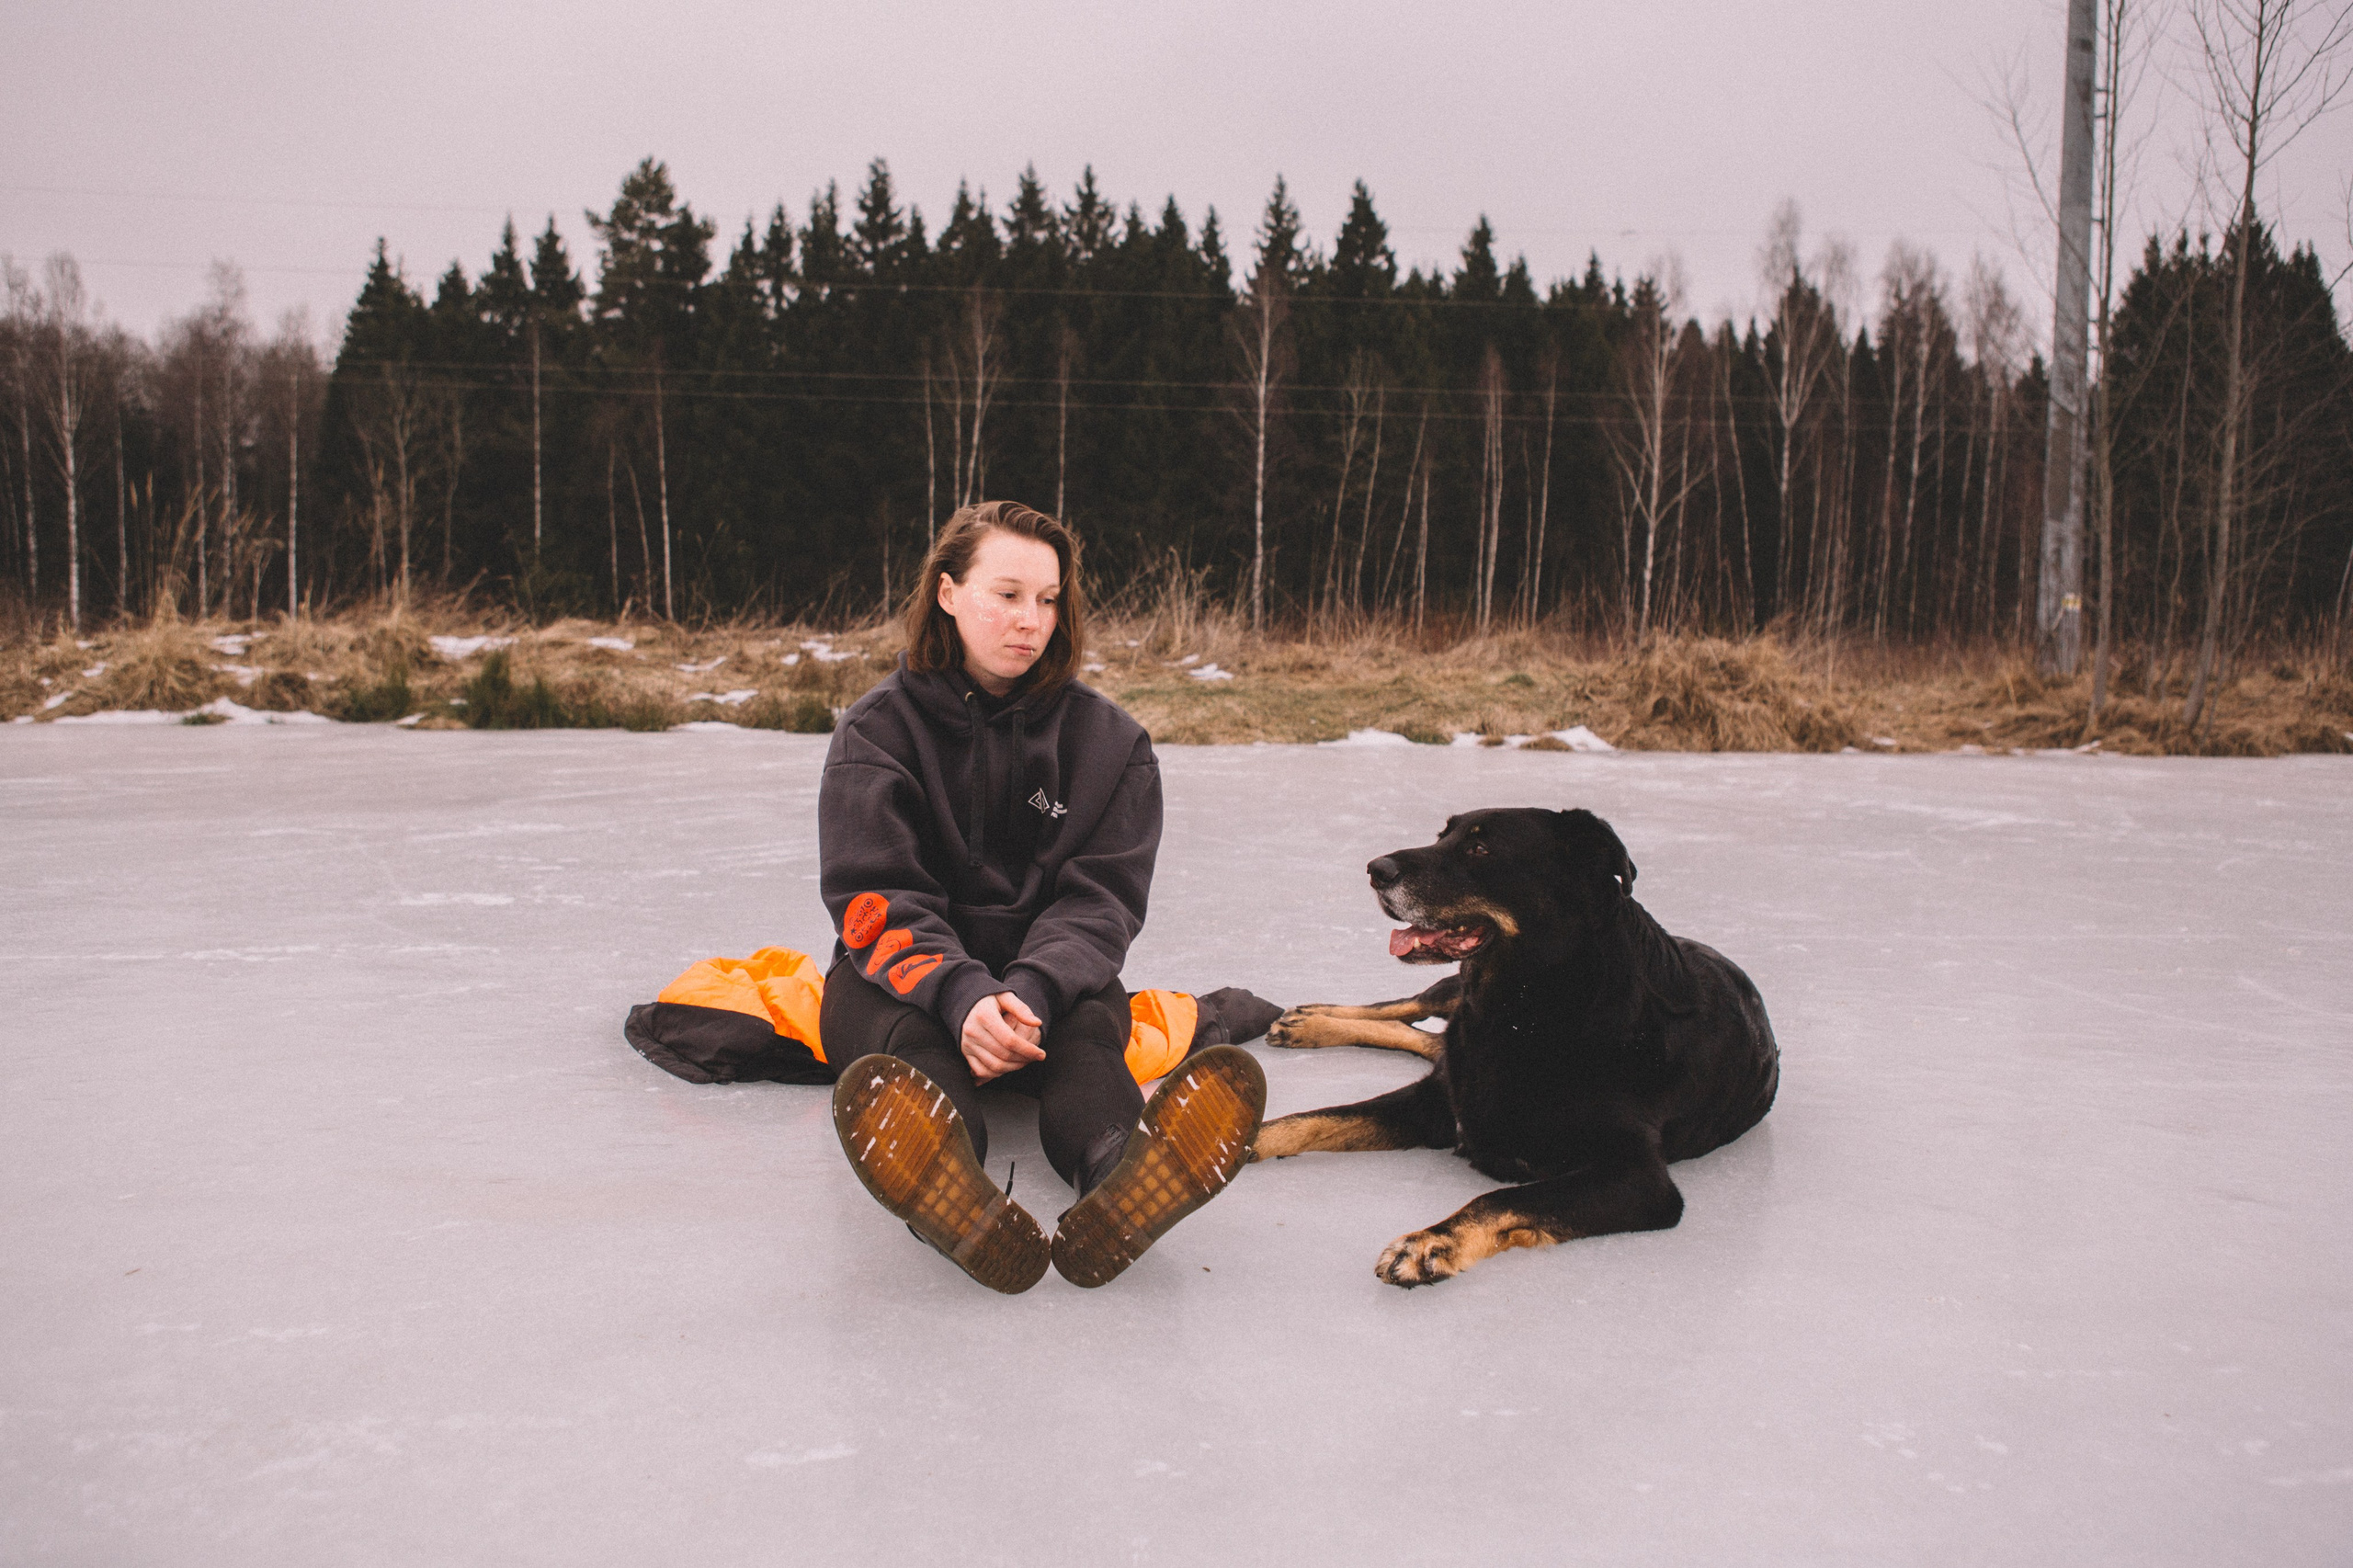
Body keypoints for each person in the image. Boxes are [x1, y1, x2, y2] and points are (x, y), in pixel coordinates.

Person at [819, 500, 1265, 1293]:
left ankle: (1120, 1180)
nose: (1032, 620)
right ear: (948, 593)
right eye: (1008, 593)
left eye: (1049, 599)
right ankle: (953, 1194)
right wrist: (960, 996)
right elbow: (877, 896)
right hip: (905, 983)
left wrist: (1028, 991)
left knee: (1089, 1041)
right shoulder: (875, 735)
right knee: (914, 1052)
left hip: (1051, 980)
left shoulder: (1111, 745)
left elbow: (1101, 903)